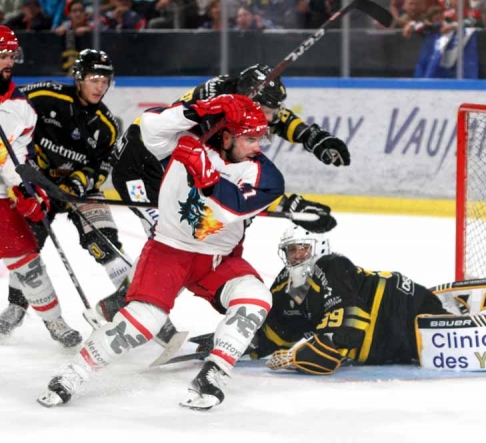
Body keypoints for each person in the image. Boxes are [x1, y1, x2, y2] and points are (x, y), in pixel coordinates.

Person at [36, 93, 337, 410]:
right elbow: (149, 125)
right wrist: (200, 109)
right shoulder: (186, 141)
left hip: (219, 260)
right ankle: (74, 373)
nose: (257, 147)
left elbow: (230, 210)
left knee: (256, 297)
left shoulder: (266, 174)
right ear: (226, 135)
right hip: (169, 251)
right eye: (250, 139)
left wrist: (207, 178)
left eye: (260, 138)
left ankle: (214, 372)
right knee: (143, 324)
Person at [100, 63, 350, 321]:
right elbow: (218, 179)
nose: (271, 119)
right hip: (139, 168)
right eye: (266, 110)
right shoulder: (214, 109)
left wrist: (311, 137)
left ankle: (127, 305)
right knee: (172, 239)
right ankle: (130, 306)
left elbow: (274, 117)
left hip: (169, 168)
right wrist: (284, 204)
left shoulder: (243, 103)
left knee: (192, 237)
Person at [232, 226, 486, 375]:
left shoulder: (330, 265)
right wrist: (231, 342)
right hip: (397, 337)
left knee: (467, 337)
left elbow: (347, 331)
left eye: (303, 248)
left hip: (408, 314)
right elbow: (272, 331)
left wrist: (301, 355)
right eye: (292, 250)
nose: (297, 256)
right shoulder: (286, 285)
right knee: (451, 325)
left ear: (319, 247)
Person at [2, 49, 135, 338]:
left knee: (104, 242)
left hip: (78, 191)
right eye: (94, 79)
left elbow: (101, 167)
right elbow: (11, 105)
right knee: (27, 248)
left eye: (105, 81)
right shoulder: (45, 95)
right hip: (38, 186)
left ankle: (137, 304)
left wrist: (76, 184)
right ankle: (16, 306)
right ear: (79, 78)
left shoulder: (107, 126)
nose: (100, 87)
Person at [0, 26, 82, 347]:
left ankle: (54, 321)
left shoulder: (21, 108)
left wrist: (26, 191)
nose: (8, 62)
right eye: (2, 55)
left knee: (28, 262)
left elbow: (16, 158)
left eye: (11, 55)